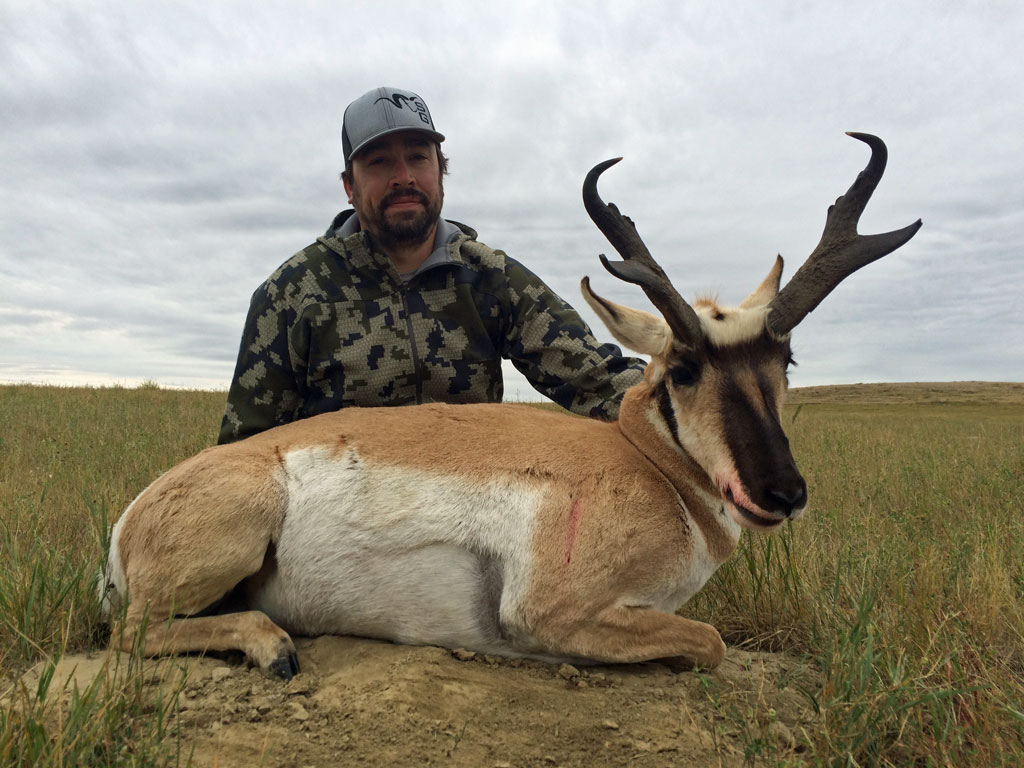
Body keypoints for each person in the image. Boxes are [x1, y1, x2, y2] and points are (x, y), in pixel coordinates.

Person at [218, 87, 645, 445]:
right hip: (342, 532)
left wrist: (694, 393)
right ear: (349, 186)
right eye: (379, 162)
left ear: (441, 172)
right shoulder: (291, 294)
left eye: (418, 158)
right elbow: (245, 453)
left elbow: (600, 381)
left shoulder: (491, 278)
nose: (402, 177)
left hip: (470, 521)